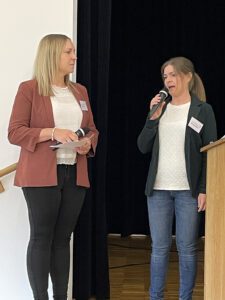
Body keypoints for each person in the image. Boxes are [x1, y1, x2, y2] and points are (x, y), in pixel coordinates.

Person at [8, 34, 98, 300]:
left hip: (74, 172)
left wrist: (87, 143)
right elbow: (15, 132)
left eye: (74, 52)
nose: (74, 57)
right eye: (68, 52)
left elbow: (91, 128)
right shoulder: (29, 89)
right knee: (41, 237)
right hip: (40, 175)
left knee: (63, 239)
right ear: (52, 55)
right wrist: (52, 131)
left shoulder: (80, 91)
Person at [137, 56, 217, 300]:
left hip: (188, 191)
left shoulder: (203, 110)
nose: (168, 80)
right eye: (165, 76)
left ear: (188, 76)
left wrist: (204, 189)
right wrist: (152, 117)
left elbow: (210, 153)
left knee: (187, 249)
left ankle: (185, 298)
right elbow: (142, 146)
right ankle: (156, 297)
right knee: (159, 250)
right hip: (159, 190)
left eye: (173, 75)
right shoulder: (160, 109)